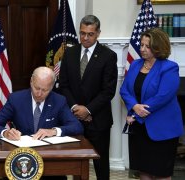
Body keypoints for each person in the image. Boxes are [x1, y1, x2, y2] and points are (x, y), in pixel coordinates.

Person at [59, 15, 118, 180]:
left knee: (100, 163)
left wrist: (88, 109)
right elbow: (63, 85)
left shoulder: (108, 56)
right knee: (75, 161)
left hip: (98, 120)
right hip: (73, 118)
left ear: (98, 33)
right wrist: (75, 108)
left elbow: (108, 91)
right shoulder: (69, 53)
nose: (85, 37)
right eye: (82, 33)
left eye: (90, 34)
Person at [120, 28, 183, 180]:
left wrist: (136, 114)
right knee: (143, 171)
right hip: (140, 129)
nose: (142, 49)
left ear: (158, 47)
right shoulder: (135, 64)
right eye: (141, 45)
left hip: (162, 130)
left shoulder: (169, 67)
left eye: (147, 46)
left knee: (161, 174)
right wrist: (134, 107)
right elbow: (124, 90)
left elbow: (163, 96)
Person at [0, 66, 83, 142]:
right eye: (36, 88)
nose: (39, 94)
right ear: (31, 82)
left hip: (48, 152)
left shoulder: (59, 101)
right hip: (21, 151)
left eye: (44, 90)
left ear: (52, 87)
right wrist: (6, 133)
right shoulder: (16, 99)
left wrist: (53, 131)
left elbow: (77, 127)